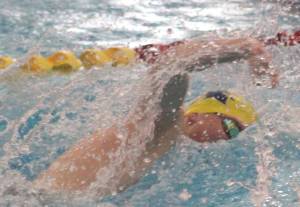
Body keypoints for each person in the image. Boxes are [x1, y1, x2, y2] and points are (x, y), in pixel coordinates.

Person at [33, 37, 277, 196]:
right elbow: (172, 63)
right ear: (201, 113)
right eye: (230, 127)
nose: (226, 137)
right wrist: (247, 47)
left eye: (235, 134)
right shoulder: (162, 121)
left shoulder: (169, 135)